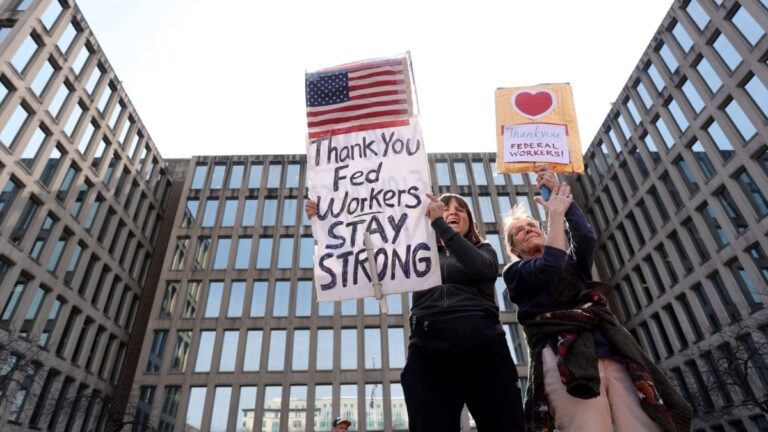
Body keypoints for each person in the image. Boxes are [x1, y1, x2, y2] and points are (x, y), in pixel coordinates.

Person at [306, 193, 525, 431]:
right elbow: (363, 253)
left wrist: (440, 224)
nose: (451, 212)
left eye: (459, 209)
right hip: (429, 348)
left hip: (484, 347)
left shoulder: (483, 248)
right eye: (446, 208)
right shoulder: (414, 252)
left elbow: (483, 270)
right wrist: (326, 218)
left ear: (469, 220)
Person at [502, 168, 692, 432]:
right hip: (562, 361)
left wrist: (561, 199)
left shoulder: (572, 264)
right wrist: (554, 216)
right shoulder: (515, 273)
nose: (528, 230)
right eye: (519, 231)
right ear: (514, 249)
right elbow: (550, 265)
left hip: (611, 352)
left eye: (532, 225)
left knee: (642, 425)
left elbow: (585, 238)